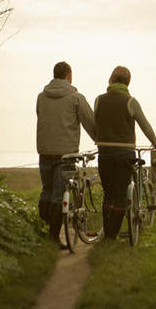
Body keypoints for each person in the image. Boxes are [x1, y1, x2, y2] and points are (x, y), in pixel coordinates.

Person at [94, 65, 156, 239]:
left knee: (108, 194)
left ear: (111, 80)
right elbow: (145, 126)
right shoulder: (130, 101)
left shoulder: (98, 100)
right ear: (128, 82)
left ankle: (108, 232)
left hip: (104, 153)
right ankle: (112, 235)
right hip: (125, 154)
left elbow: (97, 123)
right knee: (119, 195)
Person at [35, 61, 97, 245]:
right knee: (57, 196)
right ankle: (53, 237)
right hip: (66, 156)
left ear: (54, 75)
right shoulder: (76, 98)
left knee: (46, 192)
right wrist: (100, 139)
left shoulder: (41, 97)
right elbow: (90, 122)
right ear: (69, 76)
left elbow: (40, 116)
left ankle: (43, 233)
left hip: (44, 153)